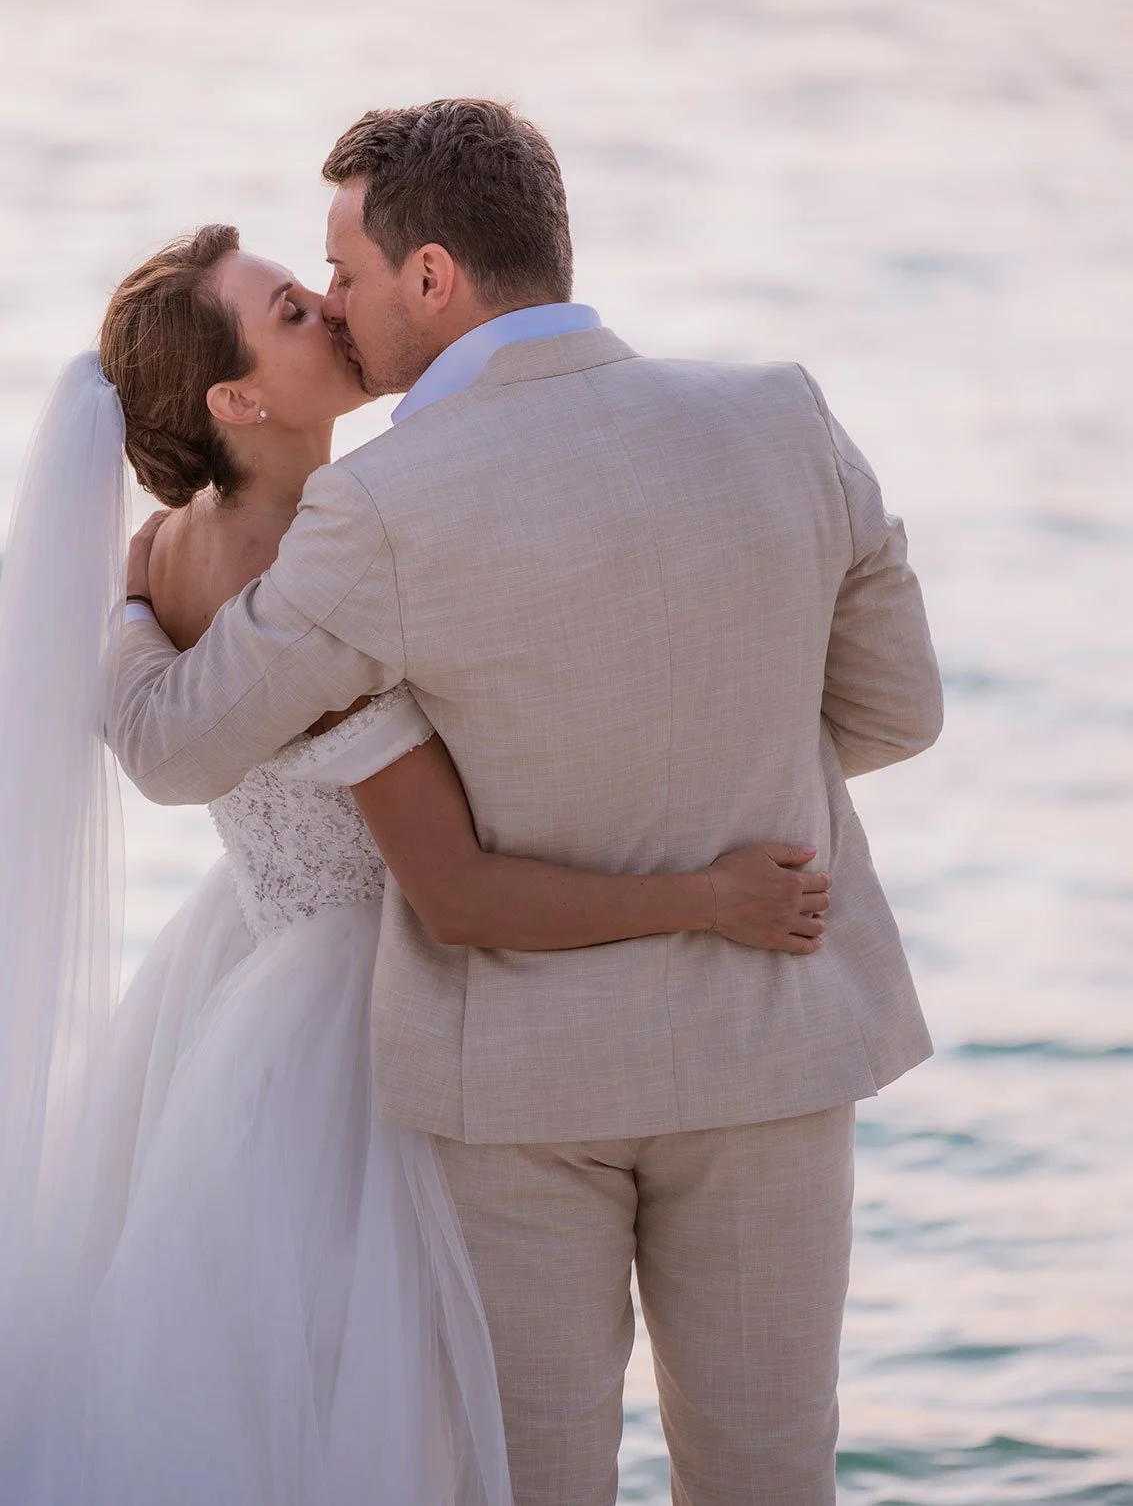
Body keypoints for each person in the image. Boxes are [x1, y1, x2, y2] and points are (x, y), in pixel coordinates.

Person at [113, 100, 943, 1506]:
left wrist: (134, 600)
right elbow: (897, 714)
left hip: (519, 1084)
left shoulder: (376, 511)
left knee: (535, 1484)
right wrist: (711, 786)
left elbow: (176, 747)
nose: (336, 303)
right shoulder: (781, 413)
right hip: (770, 1033)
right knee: (770, 1477)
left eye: (349, 273)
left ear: (431, 277)